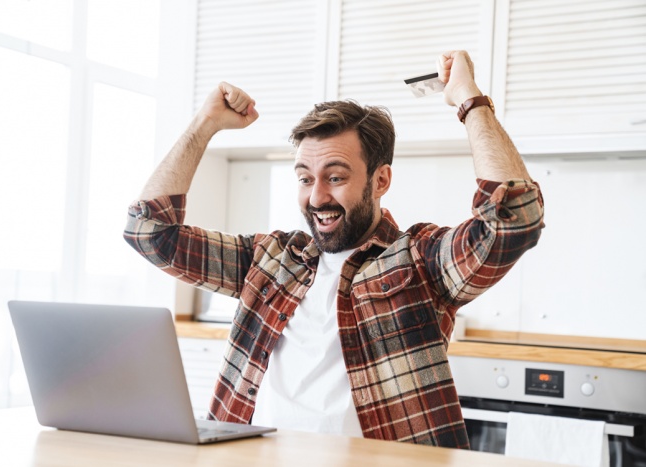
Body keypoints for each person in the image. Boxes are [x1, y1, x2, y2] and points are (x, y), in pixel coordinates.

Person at [124, 50, 544, 449]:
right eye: (305, 178)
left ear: (380, 181)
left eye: (336, 177)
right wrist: (205, 123)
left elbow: (515, 221)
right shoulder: (270, 260)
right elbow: (148, 230)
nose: (317, 196)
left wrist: (470, 101)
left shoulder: (419, 259)